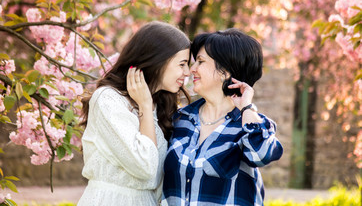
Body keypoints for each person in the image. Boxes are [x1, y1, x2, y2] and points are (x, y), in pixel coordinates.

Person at [163, 28, 283, 206]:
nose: (191, 70)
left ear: (224, 72)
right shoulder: (180, 119)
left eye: (200, 62)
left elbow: (262, 155)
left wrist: (246, 107)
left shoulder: (249, 124)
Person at [77, 21, 191, 206]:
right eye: (182, 64)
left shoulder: (161, 107)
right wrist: (144, 106)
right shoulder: (108, 100)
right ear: (158, 60)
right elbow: (145, 166)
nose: (187, 72)